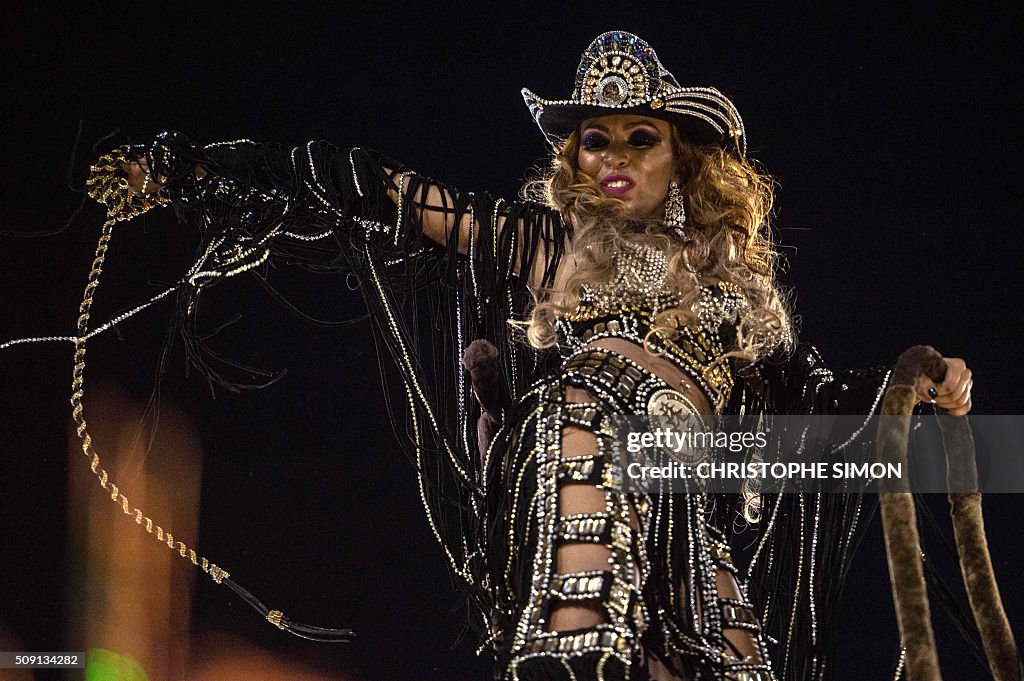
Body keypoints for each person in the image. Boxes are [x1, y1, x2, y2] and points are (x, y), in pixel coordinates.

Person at [119, 31, 972, 681]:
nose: (613, 158)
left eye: (641, 137)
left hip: (683, 502)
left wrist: (921, 385)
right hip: (585, 432)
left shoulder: (732, 290)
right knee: (581, 636)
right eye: (594, 140)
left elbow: (813, 402)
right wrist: (198, 169)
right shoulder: (551, 241)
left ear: (684, 155)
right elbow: (387, 189)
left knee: (730, 659)